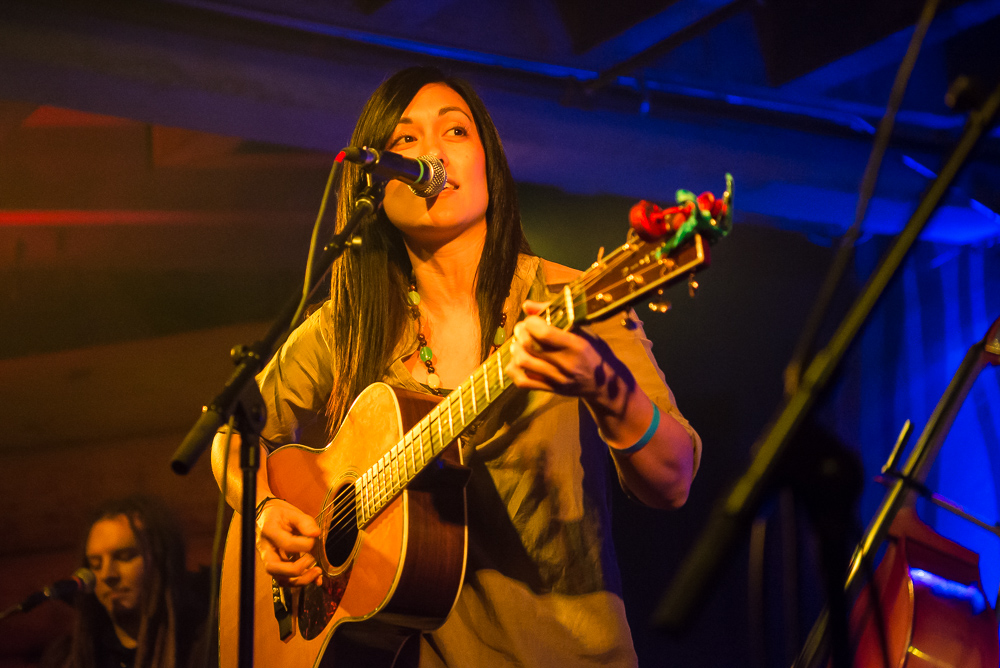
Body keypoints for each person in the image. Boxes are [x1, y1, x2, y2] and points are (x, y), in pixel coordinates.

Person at [212, 65, 701, 667]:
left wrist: (603, 386)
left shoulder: (567, 300)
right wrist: (264, 510)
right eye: (404, 141)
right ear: (378, 184)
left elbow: (673, 479)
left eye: (455, 132)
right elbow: (232, 437)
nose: (431, 153)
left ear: (488, 164)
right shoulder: (348, 324)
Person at [41, 496, 212, 668]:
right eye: (96, 564)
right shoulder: (68, 658)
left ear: (162, 560)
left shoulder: (205, 646)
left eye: (124, 557)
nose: (107, 575)